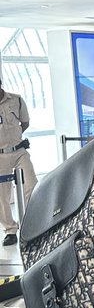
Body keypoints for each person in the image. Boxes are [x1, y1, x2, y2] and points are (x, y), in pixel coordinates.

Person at [0, 82, 37, 246]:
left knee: (31, 186)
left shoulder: (16, 100)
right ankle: (10, 230)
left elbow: (25, 122)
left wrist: (14, 138)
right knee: (2, 196)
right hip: (0, 156)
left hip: (19, 152)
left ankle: (34, 224)